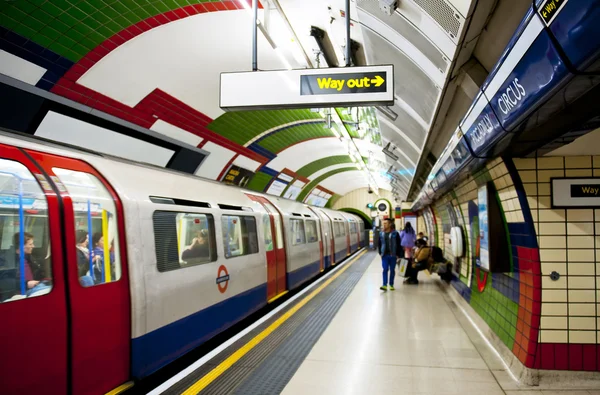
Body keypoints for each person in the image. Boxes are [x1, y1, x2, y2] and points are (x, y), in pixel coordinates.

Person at [378, 218, 401, 291]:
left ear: (390, 224)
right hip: (384, 255)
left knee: (392, 269)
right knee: (385, 269)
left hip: (393, 255)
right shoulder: (381, 233)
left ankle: (391, 284)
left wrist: (399, 254)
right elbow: (379, 243)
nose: (384, 225)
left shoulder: (395, 233)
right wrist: (380, 252)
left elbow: (398, 244)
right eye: (383, 223)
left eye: (385, 223)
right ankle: (384, 284)